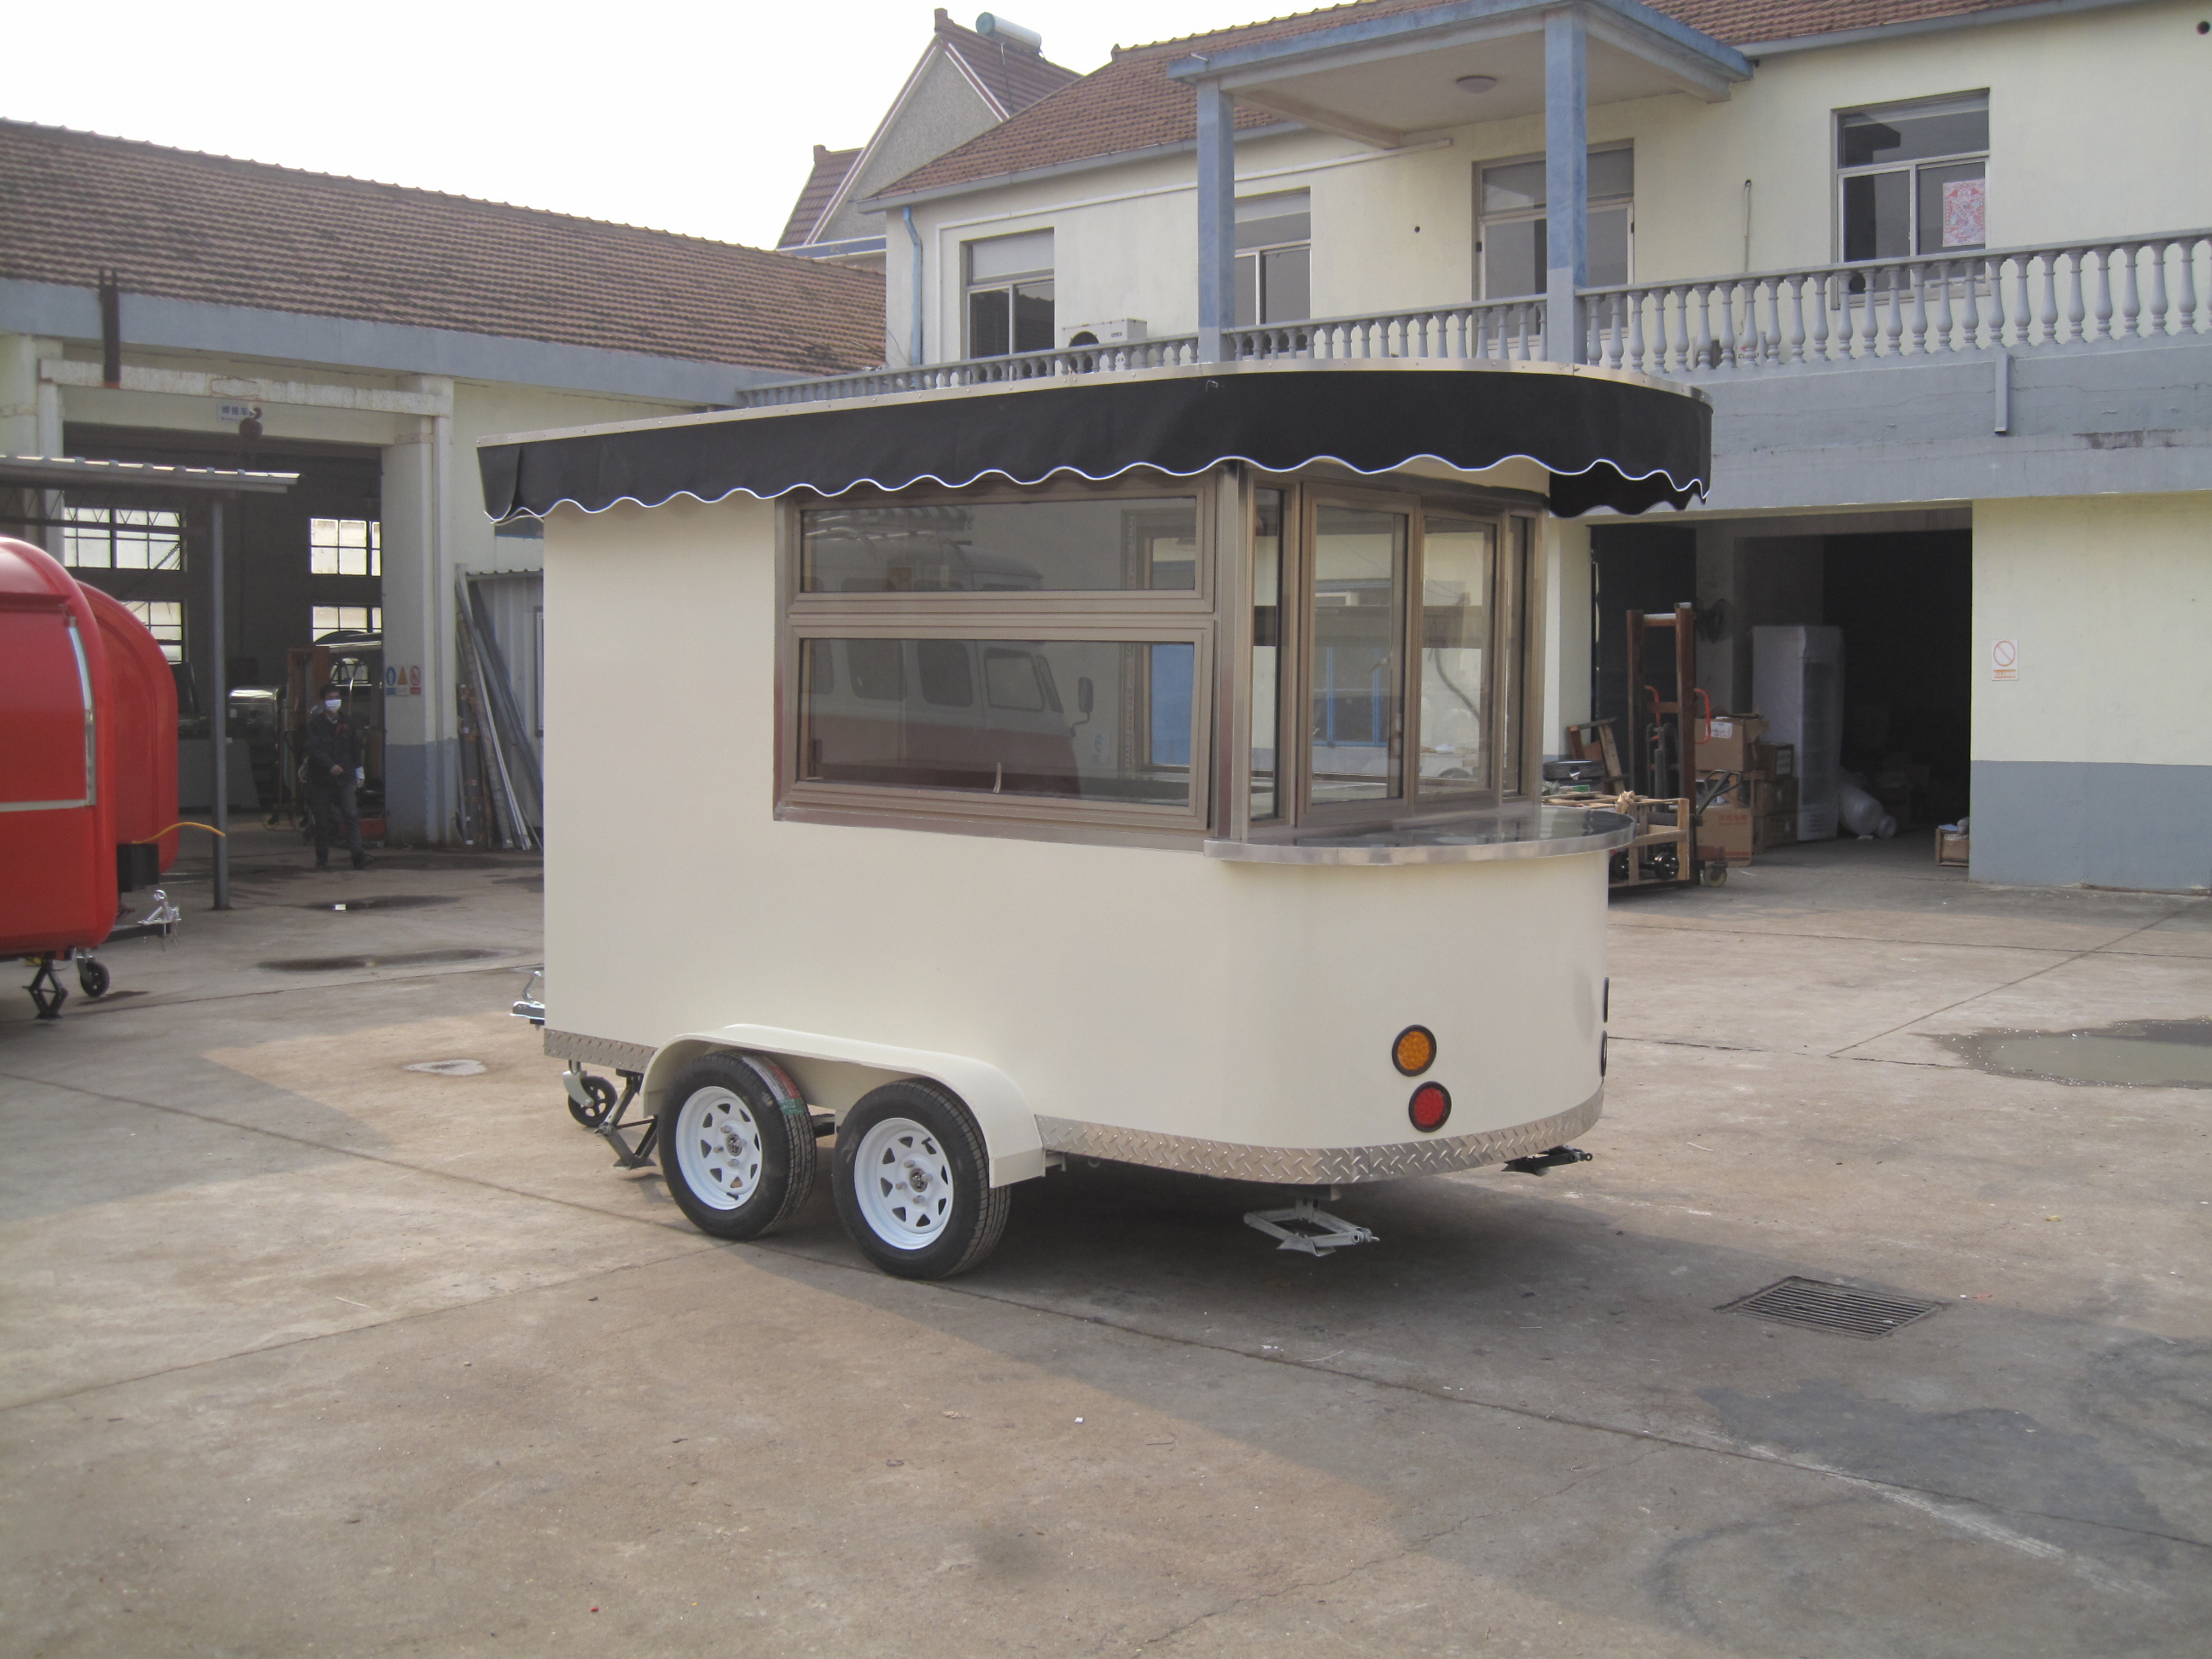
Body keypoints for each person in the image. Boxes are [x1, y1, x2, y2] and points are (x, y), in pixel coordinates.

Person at [303, 686, 370, 870]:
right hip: (321, 780)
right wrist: (330, 766)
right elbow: (314, 749)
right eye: (330, 697)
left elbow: (355, 747)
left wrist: (359, 770)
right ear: (324, 702)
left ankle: (358, 856)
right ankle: (322, 859)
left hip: (345, 777)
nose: (334, 700)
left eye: (337, 697)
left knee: (351, 815)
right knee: (322, 821)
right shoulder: (315, 725)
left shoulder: (347, 722)